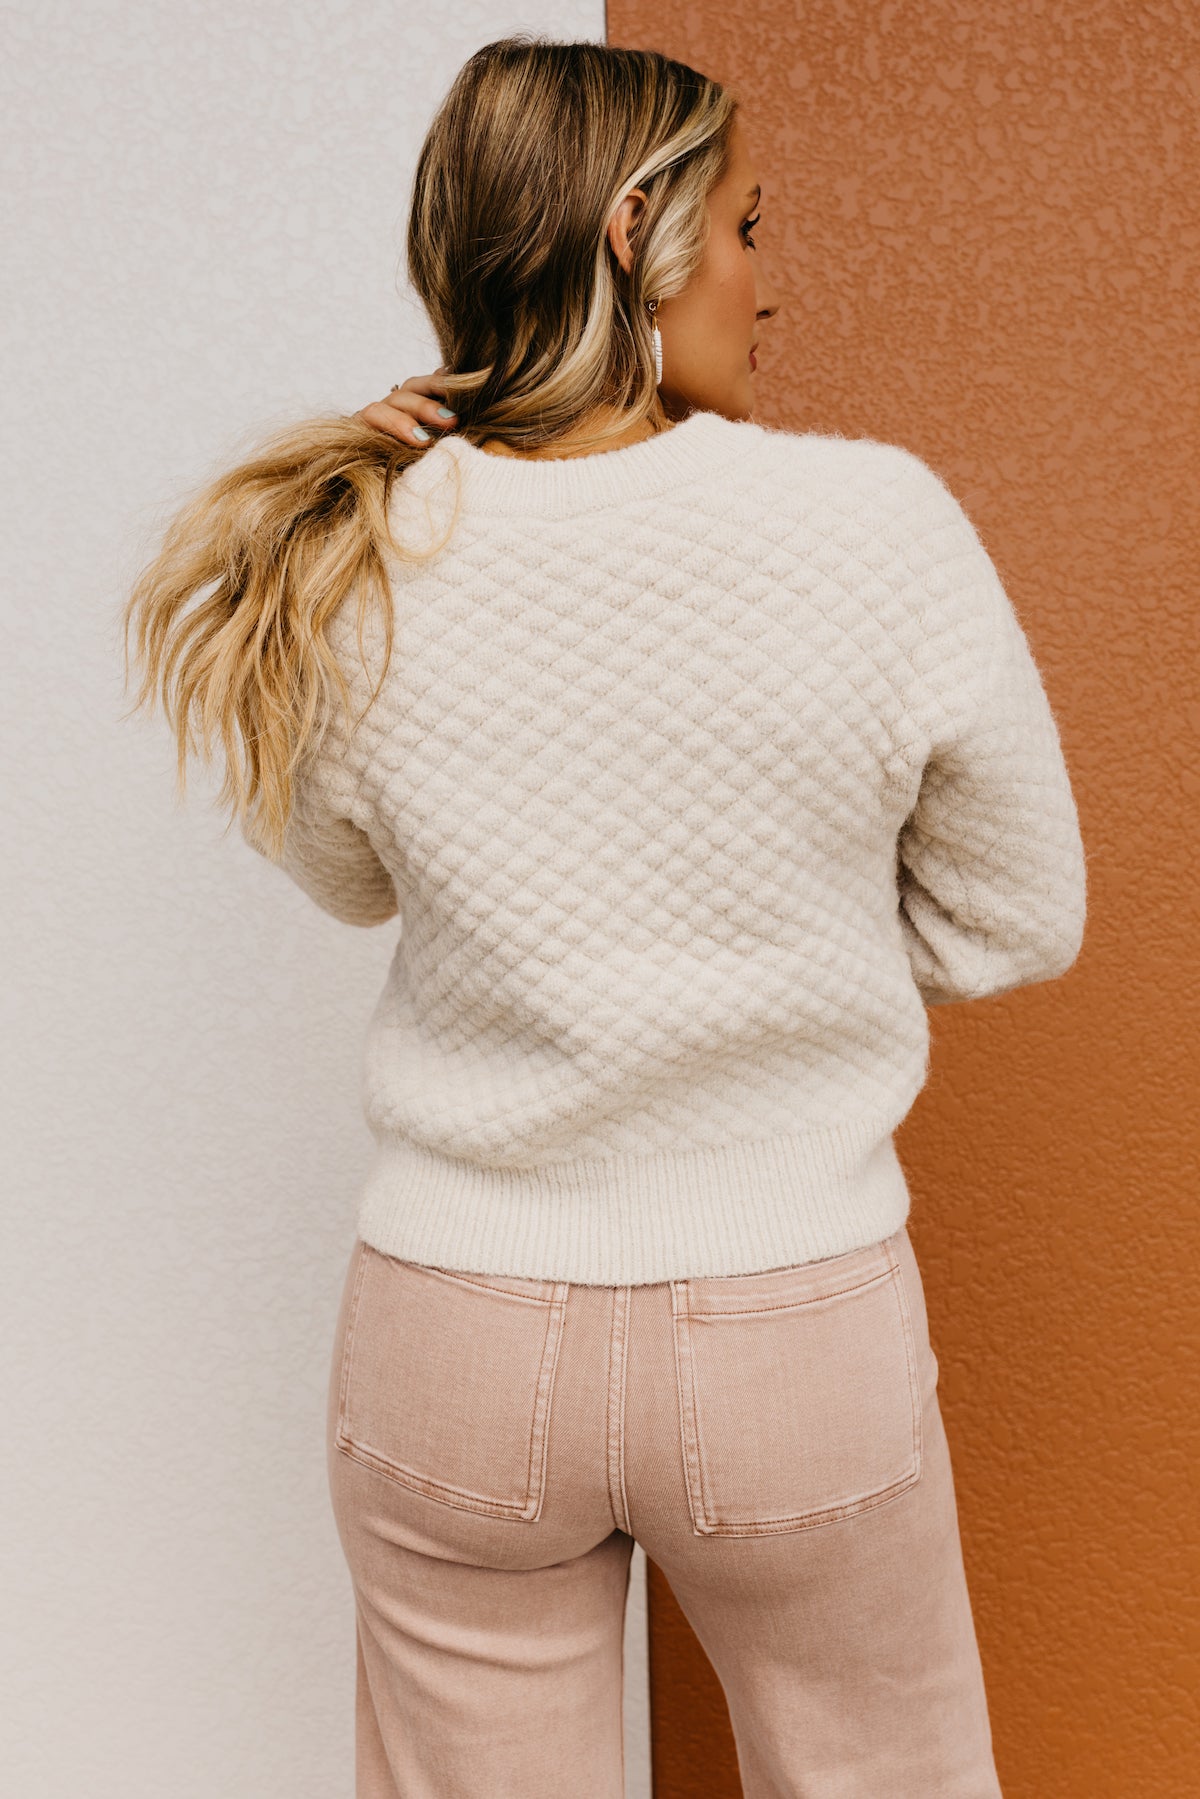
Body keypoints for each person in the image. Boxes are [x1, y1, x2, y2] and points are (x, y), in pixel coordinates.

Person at [121, 34, 1087, 1799]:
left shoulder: (368, 547)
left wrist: (386, 507)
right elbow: (1023, 914)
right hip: (793, 1329)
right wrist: (781, 958)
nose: (767, 283)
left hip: (458, 1337)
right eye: (746, 228)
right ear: (635, 232)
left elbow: (345, 876)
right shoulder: (873, 520)